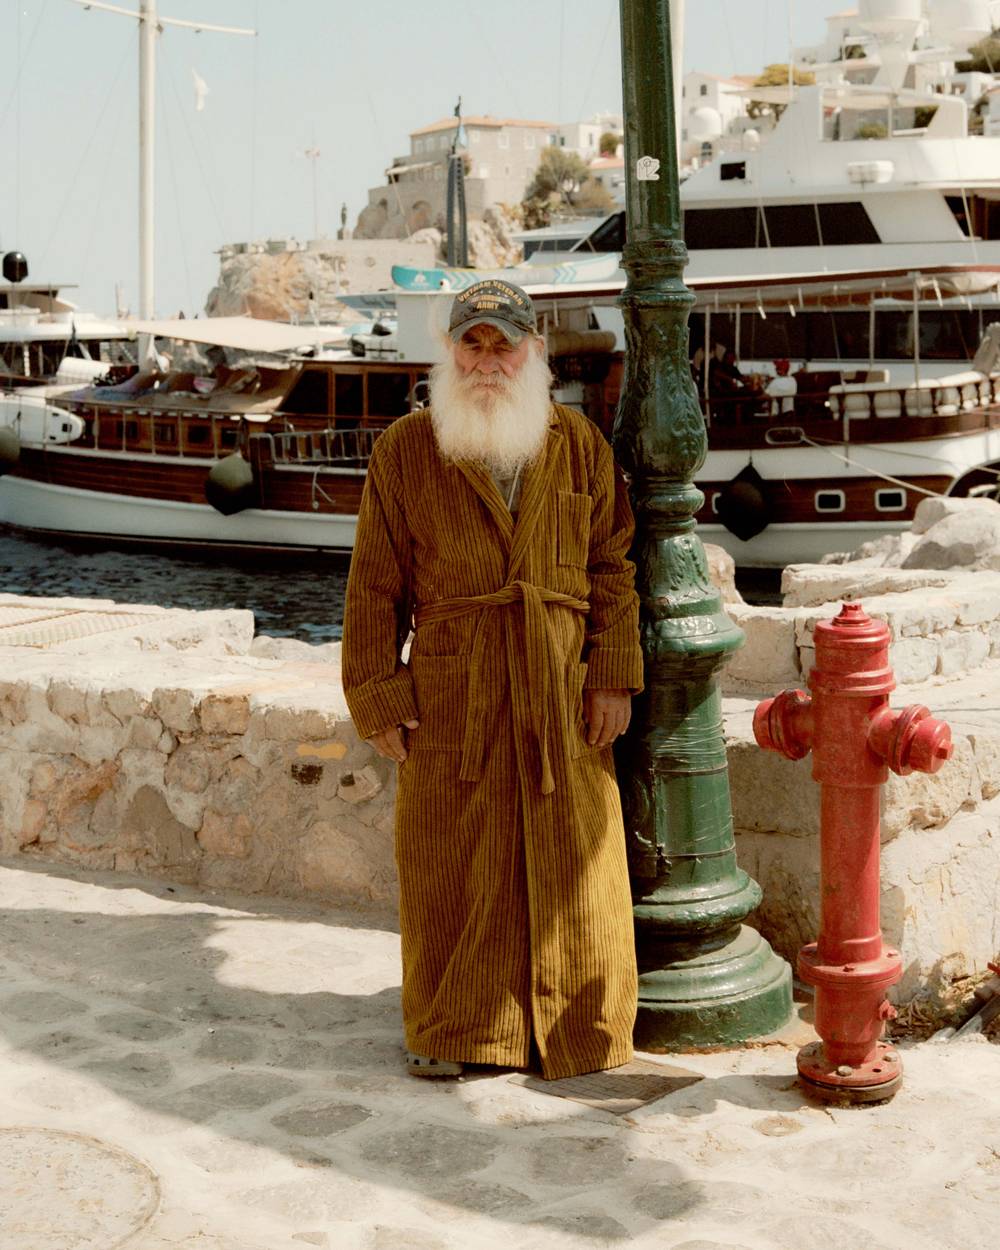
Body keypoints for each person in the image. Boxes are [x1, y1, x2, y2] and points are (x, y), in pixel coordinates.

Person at [342, 279, 643, 1082]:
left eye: (502, 343)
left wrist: (611, 675)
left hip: (558, 684)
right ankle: (456, 1028)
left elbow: (611, 565)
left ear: (533, 351)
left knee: (575, 860)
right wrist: (378, 694)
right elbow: (373, 585)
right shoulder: (406, 450)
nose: (487, 360)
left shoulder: (578, 441)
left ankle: (581, 1029)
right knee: (453, 861)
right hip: (452, 690)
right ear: (449, 354)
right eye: (470, 343)